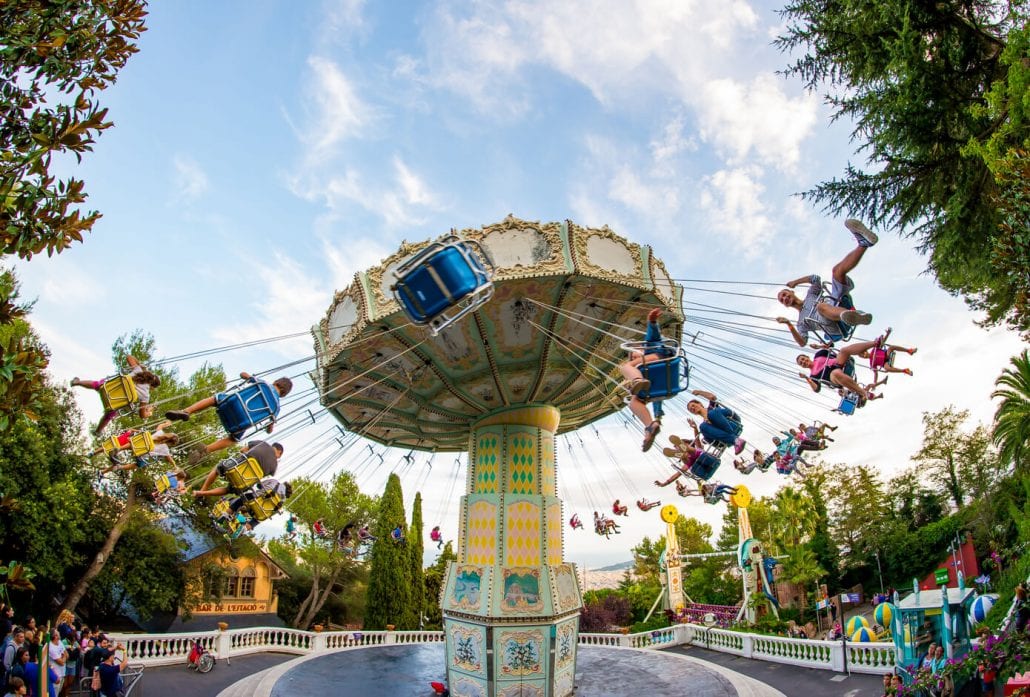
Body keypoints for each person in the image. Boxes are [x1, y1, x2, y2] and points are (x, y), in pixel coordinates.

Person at [775, 219, 878, 347]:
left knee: (836, 272)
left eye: (784, 294)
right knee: (821, 307)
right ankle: (851, 316)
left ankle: (864, 243)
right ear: (785, 305)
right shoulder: (801, 323)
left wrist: (796, 281)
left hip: (836, 304)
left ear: (791, 292)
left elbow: (815, 279)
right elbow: (802, 342)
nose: (784, 298)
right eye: (782, 299)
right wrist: (789, 324)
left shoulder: (811, 295)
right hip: (833, 327)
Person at [164, 373, 293, 462]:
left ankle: (187, 411)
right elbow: (269, 429)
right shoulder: (276, 408)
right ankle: (206, 450)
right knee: (234, 439)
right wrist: (270, 426)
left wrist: (249, 376)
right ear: (284, 394)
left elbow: (243, 374)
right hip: (241, 422)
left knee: (215, 399)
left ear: (277, 382)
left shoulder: (263, 384)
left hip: (232, 403)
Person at [618, 308, 672, 452]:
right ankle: (650, 427)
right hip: (658, 382)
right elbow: (657, 399)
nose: (634, 356)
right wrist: (658, 415)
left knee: (625, 367)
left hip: (657, 361)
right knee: (634, 402)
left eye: (634, 353)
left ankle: (637, 380)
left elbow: (653, 337)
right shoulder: (643, 365)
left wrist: (652, 322)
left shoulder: (650, 348)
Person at [72, 355, 160, 434]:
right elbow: (142, 415)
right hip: (113, 404)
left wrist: (140, 365)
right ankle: (98, 431)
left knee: (98, 384)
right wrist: (149, 413)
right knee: (109, 415)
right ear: (152, 387)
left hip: (107, 388)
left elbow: (129, 357)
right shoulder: (146, 395)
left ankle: (77, 382)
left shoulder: (138, 371)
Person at [797, 338, 888, 403]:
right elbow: (817, 389)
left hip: (840, 364)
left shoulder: (818, 355)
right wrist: (806, 378)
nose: (803, 362)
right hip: (832, 376)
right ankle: (865, 393)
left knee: (844, 350)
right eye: (801, 363)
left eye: (803, 359)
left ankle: (875, 343)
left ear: (807, 357)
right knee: (836, 373)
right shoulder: (812, 376)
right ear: (802, 366)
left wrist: (818, 346)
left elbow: (830, 346)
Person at [192, 440, 283, 496]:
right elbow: (265, 475)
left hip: (235, 468)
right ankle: (203, 494)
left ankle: (203, 489)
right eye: (280, 455)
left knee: (217, 469)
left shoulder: (262, 443)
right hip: (244, 483)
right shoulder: (275, 466)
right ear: (279, 452)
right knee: (228, 490)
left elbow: (242, 450)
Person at [100, 429, 179, 475]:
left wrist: (166, 423)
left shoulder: (160, 433)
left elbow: (160, 426)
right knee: (139, 464)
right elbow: (169, 459)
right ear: (170, 444)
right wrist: (175, 466)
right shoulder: (165, 449)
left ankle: (119, 449)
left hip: (136, 445)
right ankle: (120, 467)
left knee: (135, 443)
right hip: (141, 454)